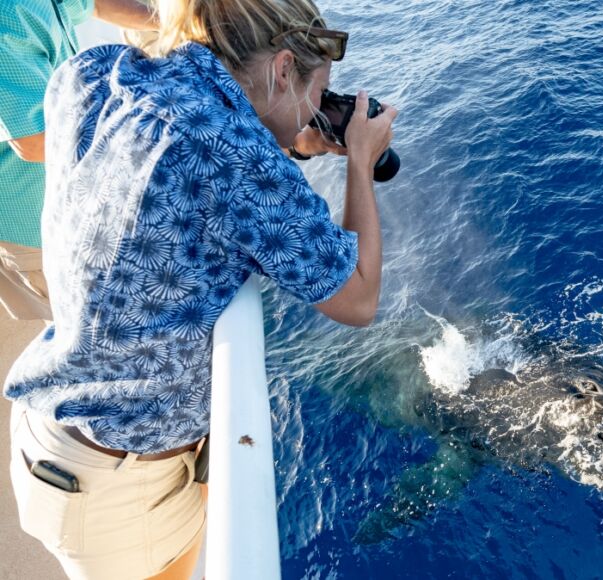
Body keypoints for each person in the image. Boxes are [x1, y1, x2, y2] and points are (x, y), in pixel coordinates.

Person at [3, 0, 397, 576]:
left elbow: (180, 159)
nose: (315, 112)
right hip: (121, 491)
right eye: (316, 93)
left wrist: (287, 142)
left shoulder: (91, 73)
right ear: (283, 69)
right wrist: (359, 161)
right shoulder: (236, 158)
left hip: (54, 434)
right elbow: (359, 298)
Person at [0, 0, 156, 321]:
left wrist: (180, 24)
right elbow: (34, 143)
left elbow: (91, 5)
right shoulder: (7, 14)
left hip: (64, 212)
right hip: (33, 229)